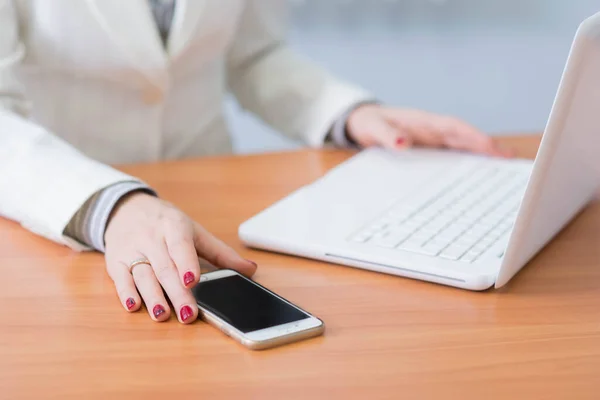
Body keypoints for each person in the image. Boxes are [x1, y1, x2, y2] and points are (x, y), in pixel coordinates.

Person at [0, 0, 510, 325]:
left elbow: (255, 54)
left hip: (214, 204)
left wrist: (350, 113)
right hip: (60, 208)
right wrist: (110, 206)